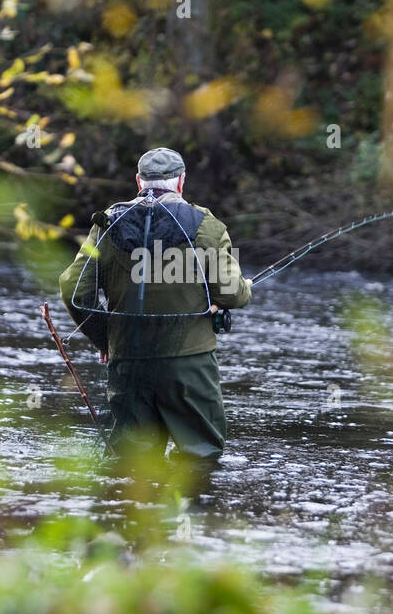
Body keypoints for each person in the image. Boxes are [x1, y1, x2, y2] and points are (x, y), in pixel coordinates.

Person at [59, 147, 251, 466]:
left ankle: (127, 513)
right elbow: (233, 294)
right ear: (181, 183)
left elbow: (73, 288)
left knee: (129, 463)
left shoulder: (107, 223)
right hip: (189, 364)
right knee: (199, 459)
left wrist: (104, 338)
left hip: (128, 360)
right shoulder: (206, 224)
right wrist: (245, 288)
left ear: (138, 181)